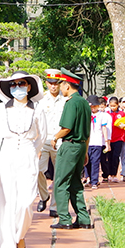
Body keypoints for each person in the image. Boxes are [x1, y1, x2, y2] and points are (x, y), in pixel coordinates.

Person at [0, 71, 46, 248]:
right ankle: (9, 246)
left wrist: (32, 150)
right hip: (7, 154)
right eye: (13, 85)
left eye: (21, 83)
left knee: (26, 202)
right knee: (7, 202)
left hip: (28, 154)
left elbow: (42, 136)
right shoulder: (2, 109)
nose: (17, 87)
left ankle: (20, 235)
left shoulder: (37, 109)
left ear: (29, 86)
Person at [50, 69, 92, 230]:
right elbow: (87, 131)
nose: (60, 88)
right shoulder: (84, 102)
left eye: (61, 85)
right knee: (76, 183)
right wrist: (86, 150)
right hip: (81, 146)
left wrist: (55, 137)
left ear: (67, 85)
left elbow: (67, 128)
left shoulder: (71, 102)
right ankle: (83, 218)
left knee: (60, 182)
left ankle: (65, 218)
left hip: (70, 145)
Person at [37, 69, 66, 218]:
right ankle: (43, 196)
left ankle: (54, 205)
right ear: (46, 83)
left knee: (58, 174)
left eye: (56, 83)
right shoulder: (40, 100)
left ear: (60, 84)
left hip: (59, 139)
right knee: (38, 170)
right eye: (51, 83)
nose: (53, 86)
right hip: (43, 139)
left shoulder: (65, 99)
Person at [84, 95, 110, 189]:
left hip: (97, 142)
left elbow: (104, 128)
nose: (93, 108)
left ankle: (95, 181)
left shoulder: (102, 115)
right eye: (91, 106)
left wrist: (107, 142)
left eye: (94, 106)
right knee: (87, 162)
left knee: (95, 161)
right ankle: (89, 179)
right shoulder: (85, 114)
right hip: (87, 142)